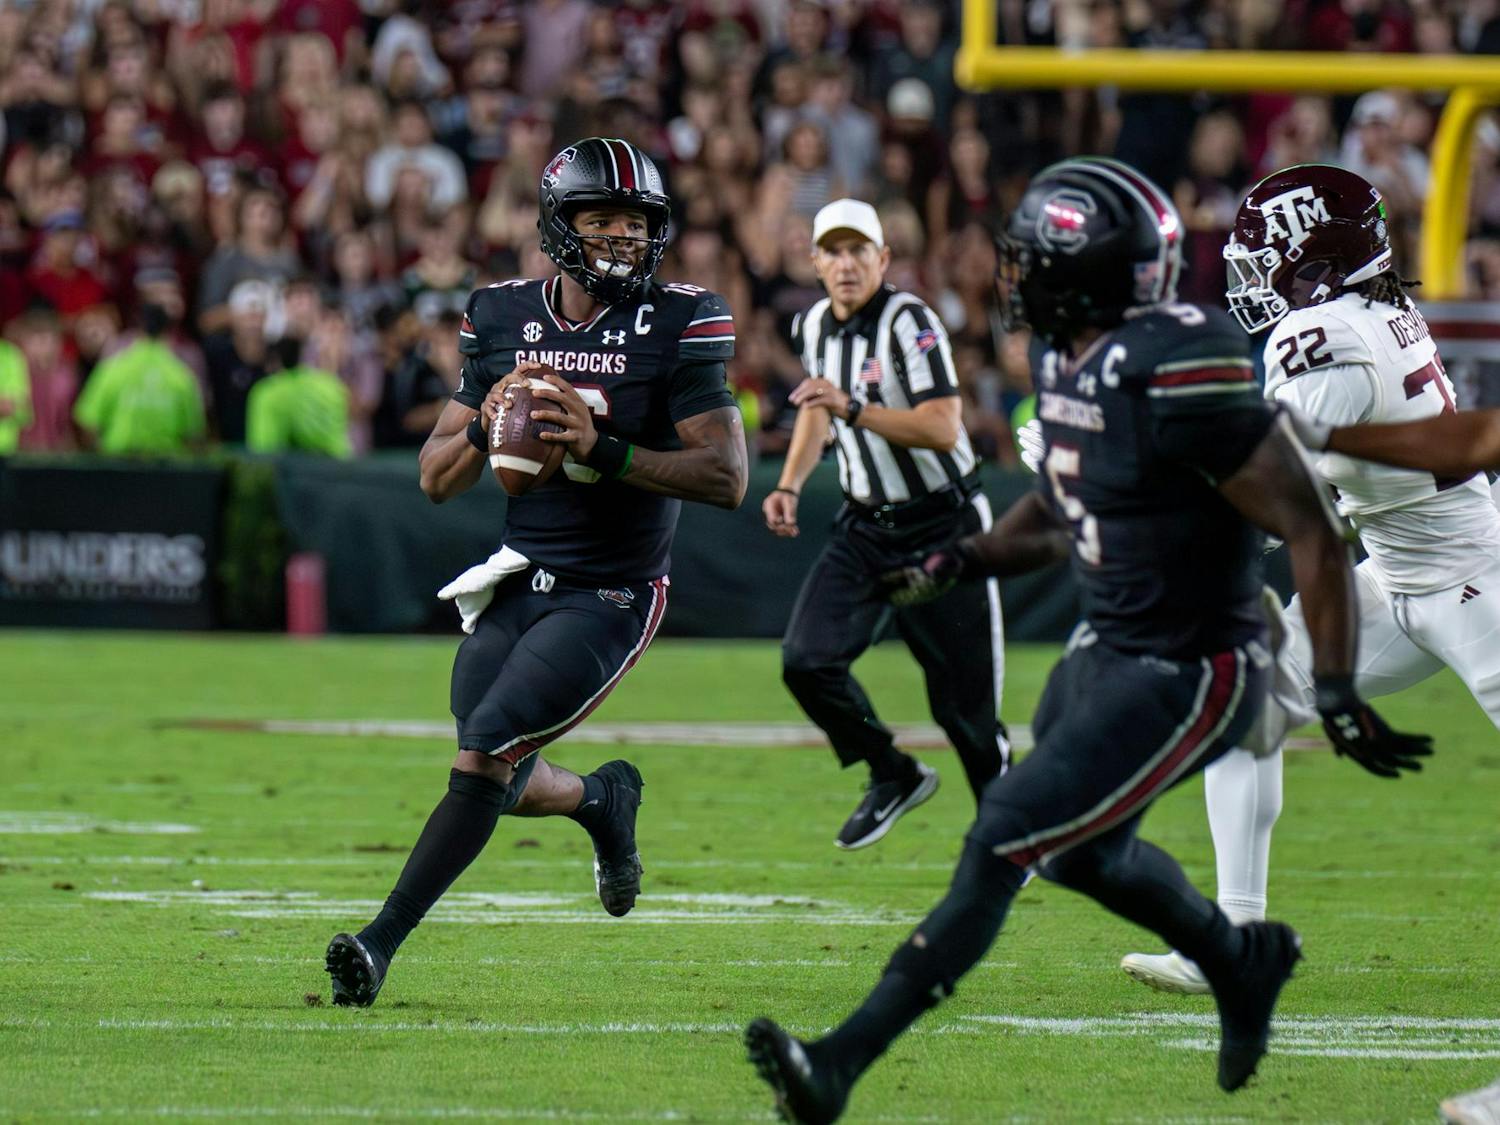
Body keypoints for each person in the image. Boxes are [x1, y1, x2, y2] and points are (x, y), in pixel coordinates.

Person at [743, 156, 1433, 1124]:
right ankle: (1242, 961)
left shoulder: (1181, 361)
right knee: (1077, 855)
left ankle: (838, 1066)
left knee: (1003, 835)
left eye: (1033, 259)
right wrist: (963, 562)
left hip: (1197, 658)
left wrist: (1332, 688)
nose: (1015, 278)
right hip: (1112, 642)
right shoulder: (1070, 354)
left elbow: (1311, 525)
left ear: (1088, 267)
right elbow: (1065, 499)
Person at [325, 137, 748, 1008]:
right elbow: (436, 478)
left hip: (615, 590)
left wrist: (607, 448)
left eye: (637, 225)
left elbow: (727, 477)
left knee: (485, 754)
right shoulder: (502, 314)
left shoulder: (682, 318)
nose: (624, 241)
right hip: (524, 572)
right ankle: (601, 800)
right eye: (602, 222)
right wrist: (488, 421)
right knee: (493, 761)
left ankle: (378, 942)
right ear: (559, 229)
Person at [1120, 164, 1500, 995]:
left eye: (1263, 256)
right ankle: (1232, 939)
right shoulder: (1378, 309)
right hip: (1402, 571)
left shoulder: (1316, 333)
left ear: (1313, 257)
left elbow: (1285, 496)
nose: (1252, 274)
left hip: (1472, 585)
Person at [766, 196, 1007, 851]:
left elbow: (941, 424)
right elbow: (818, 406)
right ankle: (891, 771)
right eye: (834, 252)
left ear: (884, 258)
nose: (846, 264)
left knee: (967, 714)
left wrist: (851, 405)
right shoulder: (815, 324)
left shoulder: (910, 319)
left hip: (943, 525)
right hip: (866, 526)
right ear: (814, 262)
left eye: (858, 251)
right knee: (805, 661)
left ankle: (1007, 840)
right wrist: (789, 481)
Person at [73, 302, 206, 456]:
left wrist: (101, 458)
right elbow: (194, 433)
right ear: (167, 332)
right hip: (166, 468)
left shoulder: (113, 368)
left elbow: (87, 421)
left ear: (138, 329)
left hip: (118, 466)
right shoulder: (181, 375)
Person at [245, 336, 352, 457]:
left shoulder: (267, 392)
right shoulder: (332, 387)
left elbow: (263, 450)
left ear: (275, 362)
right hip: (339, 470)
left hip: (290, 473)